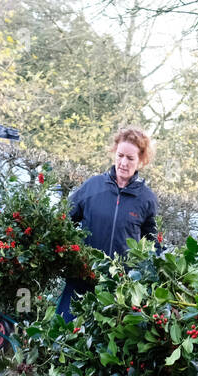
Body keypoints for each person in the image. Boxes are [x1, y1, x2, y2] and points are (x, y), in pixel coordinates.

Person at [57, 126, 158, 320]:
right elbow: (62, 220)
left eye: (130, 158)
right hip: (82, 278)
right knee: (63, 337)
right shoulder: (92, 187)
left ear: (141, 161)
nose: (123, 163)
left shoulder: (146, 199)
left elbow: (152, 244)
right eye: (120, 155)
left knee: (102, 347)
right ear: (114, 152)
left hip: (118, 289)